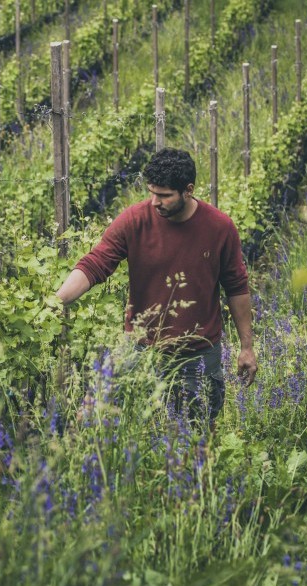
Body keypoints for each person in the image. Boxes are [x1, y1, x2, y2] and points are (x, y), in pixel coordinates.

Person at [55, 148, 257, 422]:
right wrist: (58, 301)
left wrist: (247, 347)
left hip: (197, 354)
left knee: (196, 434)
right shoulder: (134, 220)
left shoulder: (220, 228)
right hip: (141, 347)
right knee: (95, 416)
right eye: (151, 192)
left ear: (188, 190)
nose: (154, 202)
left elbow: (237, 288)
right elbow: (97, 263)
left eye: (163, 195)